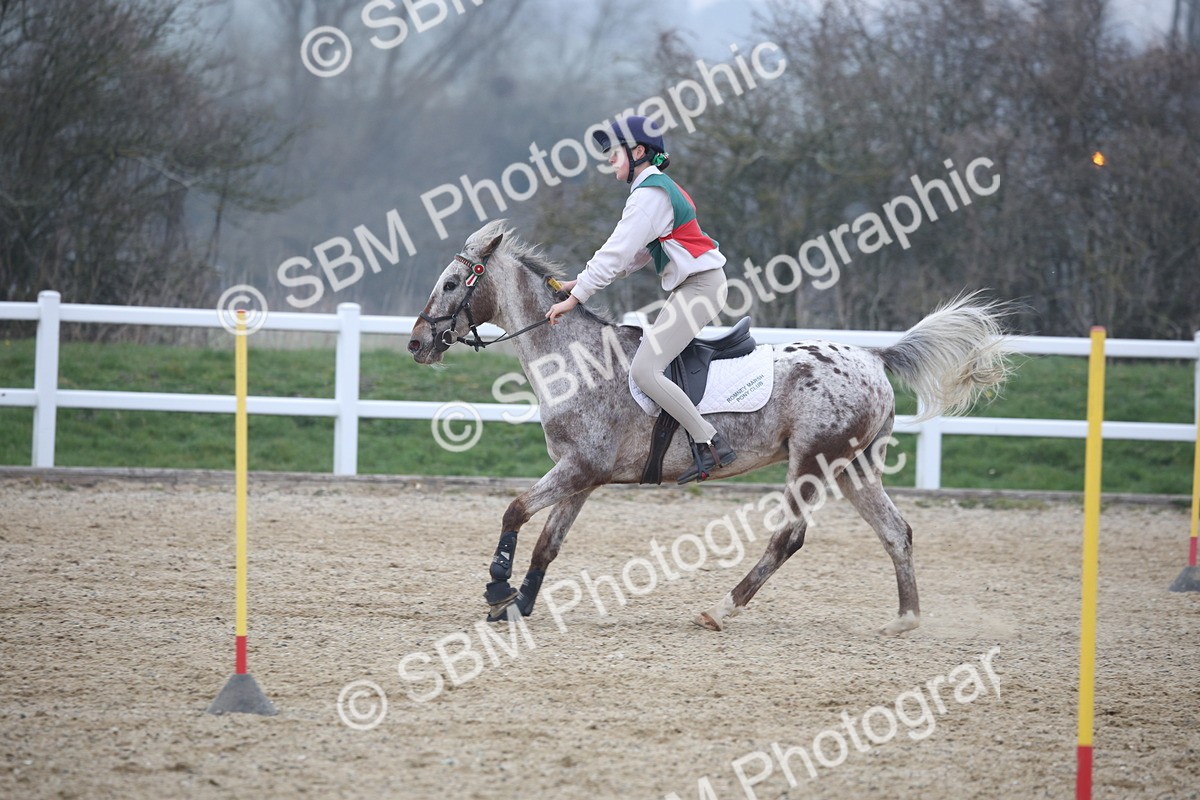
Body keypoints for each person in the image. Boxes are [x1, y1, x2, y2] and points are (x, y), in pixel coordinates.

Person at [545, 115, 735, 484]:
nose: (609, 160)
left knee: (644, 371)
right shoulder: (654, 190)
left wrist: (577, 297)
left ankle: (710, 444)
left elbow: (615, 253)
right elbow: (635, 256)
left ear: (637, 152)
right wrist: (579, 283)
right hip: (695, 286)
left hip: (701, 287)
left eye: (613, 153)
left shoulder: (648, 196)